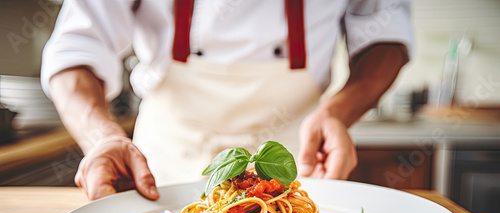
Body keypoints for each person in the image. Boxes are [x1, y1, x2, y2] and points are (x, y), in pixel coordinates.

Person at [41, 0, 412, 200]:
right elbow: (77, 47)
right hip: (164, 158)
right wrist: (102, 138)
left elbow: (386, 28)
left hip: (297, 149)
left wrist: (337, 112)